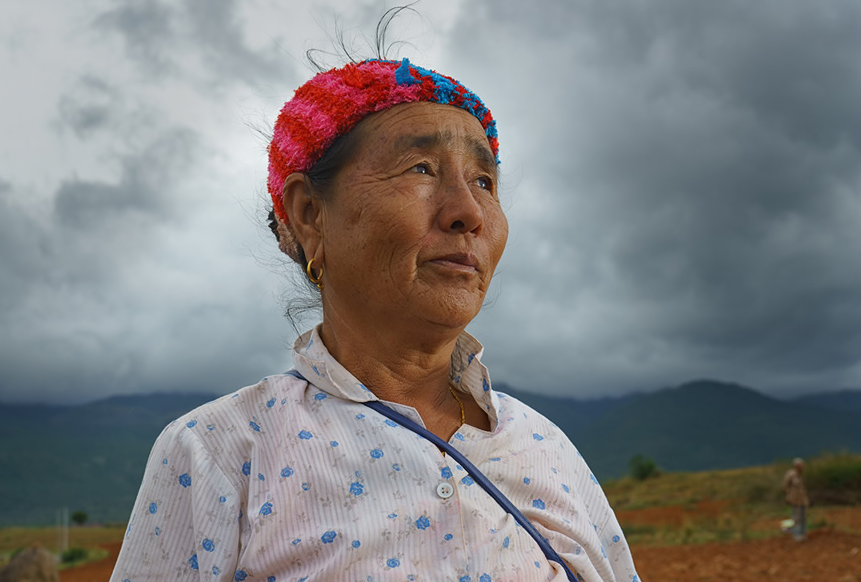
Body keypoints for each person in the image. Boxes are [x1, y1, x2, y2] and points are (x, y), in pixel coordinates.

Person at [111, 56, 639, 581]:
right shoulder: (220, 452)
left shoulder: (546, 450)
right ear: (309, 214)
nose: (469, 212)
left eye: (484, 181)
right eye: (420, 169)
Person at [782, 457, 809, 541]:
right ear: (796, 466)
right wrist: (789, 496)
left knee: (803, 517)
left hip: (802, 501)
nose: (802, 467)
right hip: (795, 500)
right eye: (800, 465)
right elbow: (784, 486)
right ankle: (797, 535)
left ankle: (802, 534)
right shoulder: (791, 474)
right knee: (796, 518)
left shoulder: (800, 475)